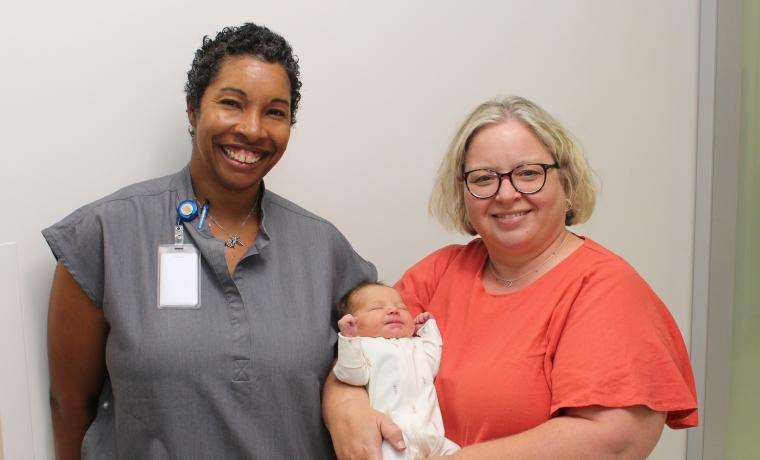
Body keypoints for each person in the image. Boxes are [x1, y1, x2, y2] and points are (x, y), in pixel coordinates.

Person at [44, 23, 374, 459]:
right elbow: (70, 404)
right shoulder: (105, 234)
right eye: (232, 104)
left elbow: (374, 373)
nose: (253, 129)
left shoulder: (323, 249)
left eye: (275, 112)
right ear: (193, 109)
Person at [323, 96, 698, 459]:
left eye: (529, 173)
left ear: (566, 182)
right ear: (464, 193)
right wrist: (346, 407)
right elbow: (360, 348)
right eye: (484, 178)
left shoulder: (605, 289)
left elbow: (613, 441)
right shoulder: (439, 272)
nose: (506, 194)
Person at [334, 282, 459, 459]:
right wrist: (348, 340)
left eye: (401, 307)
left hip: (435, 438)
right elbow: (351, 375)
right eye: (376, 308)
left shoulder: (416, 345)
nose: (394, 310)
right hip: (394, 442)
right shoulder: (363, 347)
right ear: (352, 321)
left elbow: (432, 362)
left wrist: (427, 329)